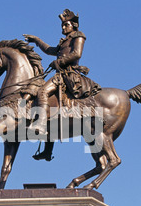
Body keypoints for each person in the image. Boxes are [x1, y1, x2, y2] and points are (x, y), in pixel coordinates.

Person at [23, 9, 101, 160]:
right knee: (51, 107)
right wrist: (37, 41)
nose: (63, 27)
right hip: (61, 74)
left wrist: (59, 62)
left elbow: (77, 54)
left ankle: (39, 124)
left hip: (68, 75)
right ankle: (47, 150)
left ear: (74, 25)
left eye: (66, 25)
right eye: (62, 25)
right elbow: (50, 50)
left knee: (42, 92)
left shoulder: (79, 36)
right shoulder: (64, 41)